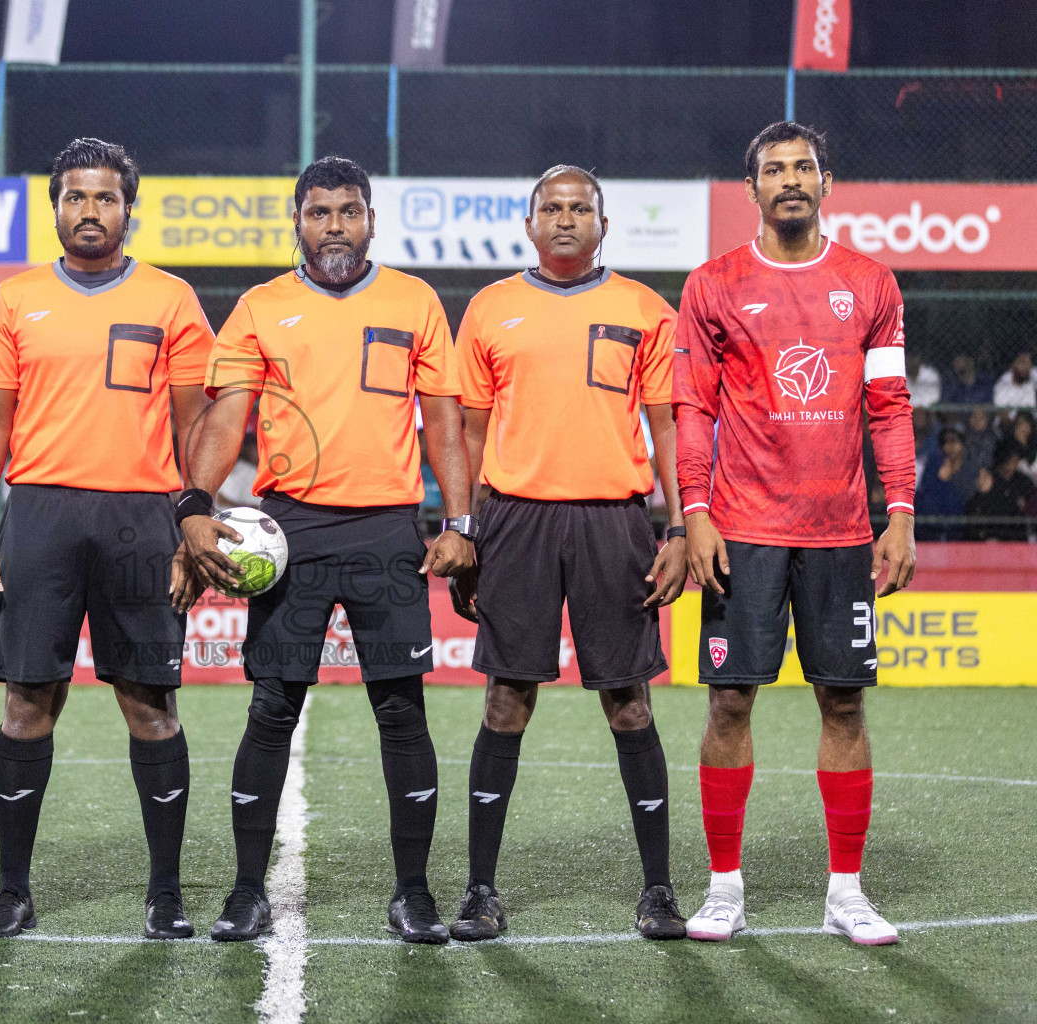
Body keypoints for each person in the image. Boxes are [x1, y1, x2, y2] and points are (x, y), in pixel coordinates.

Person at [177, 156, 474, 944]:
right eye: (319, 213)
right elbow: (226, 415)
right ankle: (246, 892)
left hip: (387, 528)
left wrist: (461, 520)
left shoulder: (414, 301)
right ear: (298, 223)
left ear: (371, 219)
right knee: (272, 707)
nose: (334, 225)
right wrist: (194, 505)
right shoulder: (259, 307)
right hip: (289, 531)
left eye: (348, 211)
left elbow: (443, 421)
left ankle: (413, 893)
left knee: (402, 712)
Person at [0, 138, 214, 941]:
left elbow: (193, 426)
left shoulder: (172, 299)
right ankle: (11, 892)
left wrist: (189, 527)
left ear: (128, 209)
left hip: (142, 517)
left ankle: (165, 894)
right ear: (56, 207)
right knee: (28, 700)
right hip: (37, 515)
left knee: (150, 706)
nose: (90, 212)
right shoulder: (16, 298)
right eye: (75, 198)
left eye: (105, 198)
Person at [675, 122, 916, 946]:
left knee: (843, 702)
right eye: (773, 169)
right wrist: (696, 512)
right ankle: (724, 888)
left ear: (826, 181)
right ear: (751, 190)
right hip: (741, 530)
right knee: (730, 699)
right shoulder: (712, 285)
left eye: (803, 167)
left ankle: (845, 891)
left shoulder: (870, 283)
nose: (789, 180)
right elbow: (694, 409)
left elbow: (888, 407)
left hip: (841, 531)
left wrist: (903, 513)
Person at [447, 164, 688, 943]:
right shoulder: (490, 308)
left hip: (614, 521)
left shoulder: (645, 309)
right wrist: (468, 527)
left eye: (579, 208)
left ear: (603, 225)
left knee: (628, 701)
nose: (564, 219)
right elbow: (472, 432)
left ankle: (658, 890)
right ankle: (480, 890)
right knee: (505, 700)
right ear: (529, 224)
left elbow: (670, 427)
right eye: (550, 207)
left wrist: (679, 528)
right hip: (515, 520)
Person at [914, 426, 976, 540]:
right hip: (931, 530)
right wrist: (939, 480)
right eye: (946, 441)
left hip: (959, 532)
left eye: (954, 440)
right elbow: (924, 495)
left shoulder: (969, 467)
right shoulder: (935, 462)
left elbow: (969, 498)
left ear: (962, 443)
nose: (951, 446)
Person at [966, 441, 1035, 541]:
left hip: (1017, 538)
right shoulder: (989, 478)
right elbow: (973, 507)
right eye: (1009, 461)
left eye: (1015, 462)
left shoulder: (1024, 482)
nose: (1011, 466)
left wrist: (1025, 506)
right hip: (991, 536)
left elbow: (1031, 510)